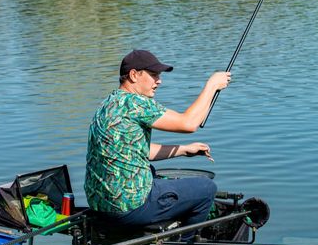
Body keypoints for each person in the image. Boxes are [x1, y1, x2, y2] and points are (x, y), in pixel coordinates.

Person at [84, 49, 231, 233]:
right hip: (131, 208)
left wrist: (184, 150)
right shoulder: (136, 103)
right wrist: (212, 85)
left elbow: (136, 150)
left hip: (101, 206)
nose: (159, 80)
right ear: (134, 75)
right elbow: (189, 123)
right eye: (153, 75)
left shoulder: (108, 104)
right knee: (207, 188)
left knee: (152, 171)